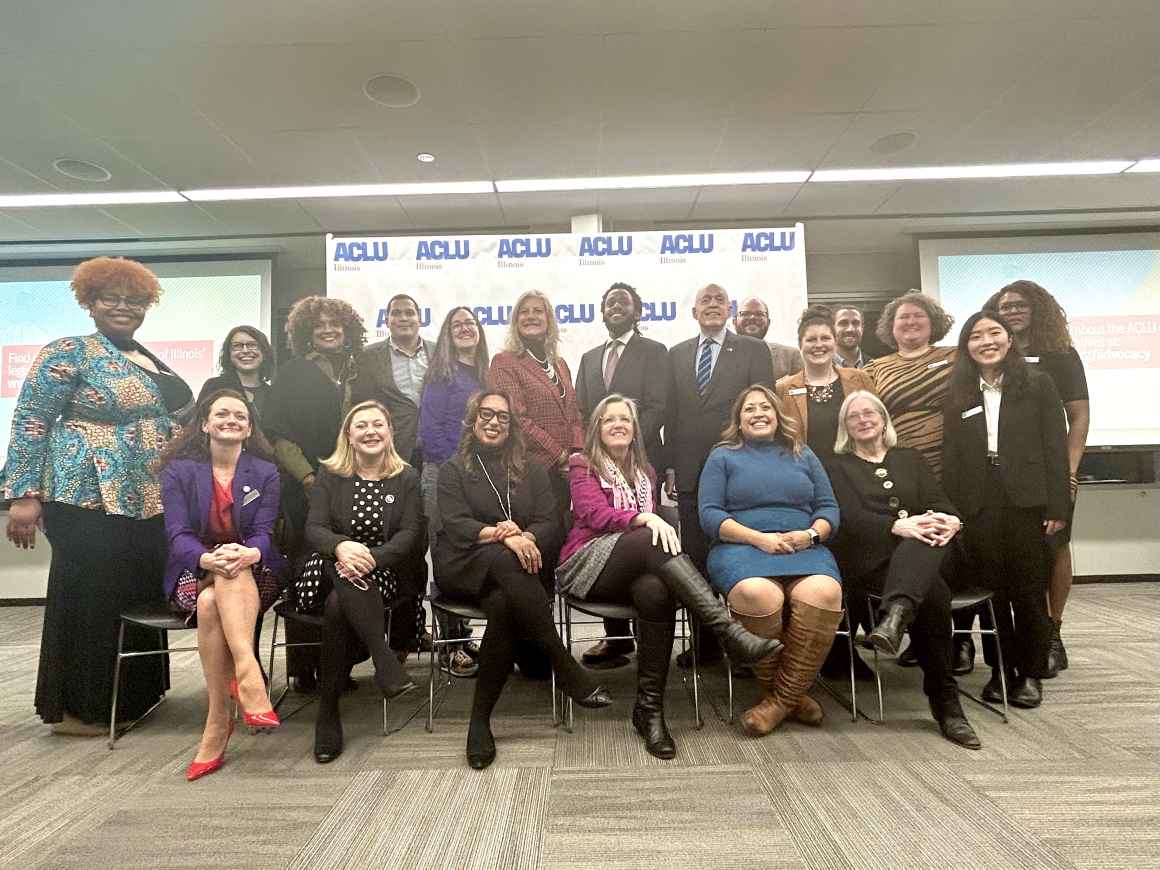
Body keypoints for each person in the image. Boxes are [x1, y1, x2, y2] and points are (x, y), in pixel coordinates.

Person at [2, 256, 193, 736]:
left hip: (146, 497)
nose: (123, 307)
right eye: (111, 298)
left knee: (138, 590)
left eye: (134, 300)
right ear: (90, 302)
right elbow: (31, 420)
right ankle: (79, 709)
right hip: (86, 495)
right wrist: (23, 495)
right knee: (92, 596)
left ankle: (134, 696)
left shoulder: (145, 356)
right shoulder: (70, 351)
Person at [558, 395, 782, 758]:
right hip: (588, 563)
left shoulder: (645, 472)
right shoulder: (582, 465)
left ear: (635, 430)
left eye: (625, 420)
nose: (618, 425)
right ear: (597, 428)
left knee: (655, 591)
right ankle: (725, 630)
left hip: (636, 567)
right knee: (650, 535)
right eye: (609, 419)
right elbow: (593, 514)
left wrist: (649, 521)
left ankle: (649, 710)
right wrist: (643, 518)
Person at [435, 390, 611, 769]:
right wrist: (505, 536)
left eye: (502, 416)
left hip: (516, 574)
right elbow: (455, 523)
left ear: (513, 426)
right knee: (505, 559)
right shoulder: (454, 469)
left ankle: (479, 722)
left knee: (504, 605)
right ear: (473, 419)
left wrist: (527, 538)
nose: (493, 421)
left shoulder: (532, 468)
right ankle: (563, 663)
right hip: (464, 563)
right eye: (486, 414)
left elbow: (551, 520)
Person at [826, 390, 980, 749]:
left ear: (883, 419)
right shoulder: (837, 466)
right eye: (854, 416)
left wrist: (951, 522)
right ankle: (945, 700)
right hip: (874, 560)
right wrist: (895, 526)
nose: (863, 419)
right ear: (845, 427)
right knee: (934, 594)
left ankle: (895, 616)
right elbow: (845, 516)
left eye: (870, 413)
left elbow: (939, 501)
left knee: (922, 541)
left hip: (931, 549)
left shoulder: (910, 459)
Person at [158, 389, 288, 779]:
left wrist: (249, 554)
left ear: (249, 428)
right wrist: (205, 558)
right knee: (211, 592)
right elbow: (177, 534)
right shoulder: (178, 471)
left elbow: (264, 533)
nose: (231, 420)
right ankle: (248, 675)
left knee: (214, 599)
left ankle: (218, 719)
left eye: (240, 416)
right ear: (204, 423)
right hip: (193, 569)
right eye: (222, 414)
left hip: (254, 569)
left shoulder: (265, 472)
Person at [698, 385, 843, 736]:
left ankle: (778, 701)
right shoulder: (723, 456)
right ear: (739, 420)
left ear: (779, 416)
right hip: (741, 547)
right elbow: (710, 515)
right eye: (749, 409)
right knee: (758, 595)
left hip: (803, 547)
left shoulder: (802, 453)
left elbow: (828, 509)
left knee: (824, 593)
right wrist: (758, 539)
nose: (758, 413)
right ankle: (792, 697)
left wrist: (809, 535)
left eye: (766, 407)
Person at [942, 312, 1070, 710]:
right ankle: (999, 672)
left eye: (994, 333)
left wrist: (1057, 505)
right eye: (976, 336)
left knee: (1028, 591)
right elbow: (953, 457)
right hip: (979, 501)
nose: (986, 341)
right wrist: (954, 511)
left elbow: (1055, 447)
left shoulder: (1037, 383)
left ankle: (1030, 674)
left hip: (1028, 500)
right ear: (967, 347)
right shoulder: (959, 390)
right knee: (991, 594)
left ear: (1009, 340)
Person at [295, 400, 427, 763]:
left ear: (390, 432)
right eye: (361, 426)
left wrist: (370, 559)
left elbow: (409, 534)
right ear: (349, 436)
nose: (370, 431)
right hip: (325, 568)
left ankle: (328, 712)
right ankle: (384, 660)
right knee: (341, 583)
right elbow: (315, 528)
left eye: (378, 424)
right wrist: (342, 548)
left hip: (377, 572)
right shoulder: (331, 475)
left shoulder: (407, 478)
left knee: (341, 605)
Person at [666, 283, 775, 664]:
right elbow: (671, 416)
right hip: (692, 473)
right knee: (696, 558)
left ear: (729, 310)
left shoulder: (752, 349)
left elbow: (764, 408)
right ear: (693, 312)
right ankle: (706, 642)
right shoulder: (676, 354)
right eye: (704, 301)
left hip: (740, 472)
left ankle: (749, 641)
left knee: (742, 553)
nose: (712, 305)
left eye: (719, 300)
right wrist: (670, 466)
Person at [984, 280, 1089, 675]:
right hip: (1003, 476)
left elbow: (1078, 415)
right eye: (1004, 306)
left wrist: (1069, 471)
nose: (1011, 310)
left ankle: (1053, 632)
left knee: (1055, 548)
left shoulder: (1060, 355)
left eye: (1019, 304)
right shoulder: (992, 355)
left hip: (1052, 472)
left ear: (1038, 308)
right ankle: (1028, 636)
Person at [263, 295, 367, 690]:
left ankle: (341, 664)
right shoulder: (291, 374)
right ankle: (305, 669)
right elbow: (277, 434)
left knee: (348, 568)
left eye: (335, 323)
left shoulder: (359, 370)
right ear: (307, 331)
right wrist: (308, 478)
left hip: (355, 487)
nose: (328, 330)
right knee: (308, 572)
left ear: (347, 328)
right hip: (305, 487)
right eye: (319, 324)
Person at [866, 291, 970, 671]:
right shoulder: (876, 368)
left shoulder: (955, 359)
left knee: (941, 538)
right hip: (897, 468)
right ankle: (921, 631)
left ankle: (957, 641)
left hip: (948, 466)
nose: (910, 323)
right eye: (902, 319)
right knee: (912, 541)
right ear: (889, 327)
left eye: (918, 317)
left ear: (933, 323)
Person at [573, 282, 671, 669]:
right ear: (602, 311)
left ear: (637, 310)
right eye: (610, 301)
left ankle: (644, 637)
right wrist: (604, 448)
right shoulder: (589, 356)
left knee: (641, 537)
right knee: (620, 531)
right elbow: (584, 411)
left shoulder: (654, 351)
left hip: (641, 458)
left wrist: (628, 448)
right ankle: (617, 639)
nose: (616, 306)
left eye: (624, 301)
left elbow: (657, 405)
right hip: (600, 460)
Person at [419, 306, 490, 679]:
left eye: (470, 323)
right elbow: (431, 435)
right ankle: (450, 645)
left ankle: (463, 636)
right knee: (445, 553)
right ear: (447, 335)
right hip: (443, 476)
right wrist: (461, 468)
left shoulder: (485, 373)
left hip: (475, 476)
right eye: (456, 324)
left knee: (471, 551)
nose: (464, 328)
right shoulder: (440, 375)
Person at [488, 289, 583, 513]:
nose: (531, 316)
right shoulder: (504, 362)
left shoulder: (559, 363)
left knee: (563, 535)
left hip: (566, 473)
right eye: (524, 312)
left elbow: (574, 414)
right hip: (530, 470)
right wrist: (559, 455)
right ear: (515, 321)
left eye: (538, 311)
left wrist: (576, 453)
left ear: (549, 320)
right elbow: (516, 418)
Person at [775, 305, 876, 464]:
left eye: (825, 338)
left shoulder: (860, 379)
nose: (819, 345)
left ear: (835, 342)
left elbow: (878, 425)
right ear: (800, 345)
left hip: (858, 475)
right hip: (807, 474)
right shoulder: (783, 389)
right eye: (811, 340)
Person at [355, 293, 435, 465]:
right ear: (386, 320)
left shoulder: (439, 352)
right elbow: (362, 406)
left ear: (420, 319)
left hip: (435, 452)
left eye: (409, 313)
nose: (403, 318)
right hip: (389, 453)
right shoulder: (367, 357)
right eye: (396, 313)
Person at [196, 325, 275, 419]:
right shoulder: (213, 387)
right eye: (237, 346)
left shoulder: (273, 394)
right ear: (229, 354)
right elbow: (198, 425)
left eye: (252, 345)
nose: (245, 351)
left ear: (264, 352)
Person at [733, 296, 803, 381]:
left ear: (768, 322)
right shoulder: (721, 355)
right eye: (745, 313)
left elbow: (799, 391)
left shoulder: (790, 356)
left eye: (759, 314)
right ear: (734, 321)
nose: (752, 317)